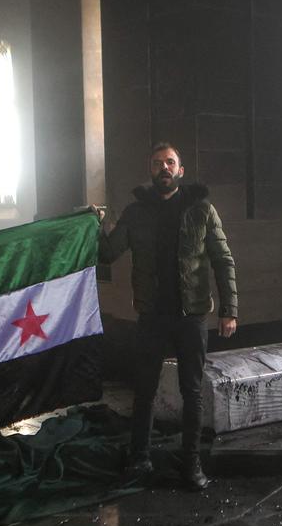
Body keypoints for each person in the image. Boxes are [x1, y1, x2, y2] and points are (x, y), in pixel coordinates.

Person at [98, 142, 238, 491]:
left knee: (192, 391)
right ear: (151, 170)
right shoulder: (135, 213)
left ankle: (191, 464)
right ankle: (139, 459)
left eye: (170, 162)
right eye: (158, 163)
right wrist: (95, 223)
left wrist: (229, 309)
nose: (164, 168)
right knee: (143, 390)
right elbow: (108, 254)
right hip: (151, 316)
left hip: (191, 316)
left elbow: (223, 260)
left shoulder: (202, 210)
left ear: (181, 171)